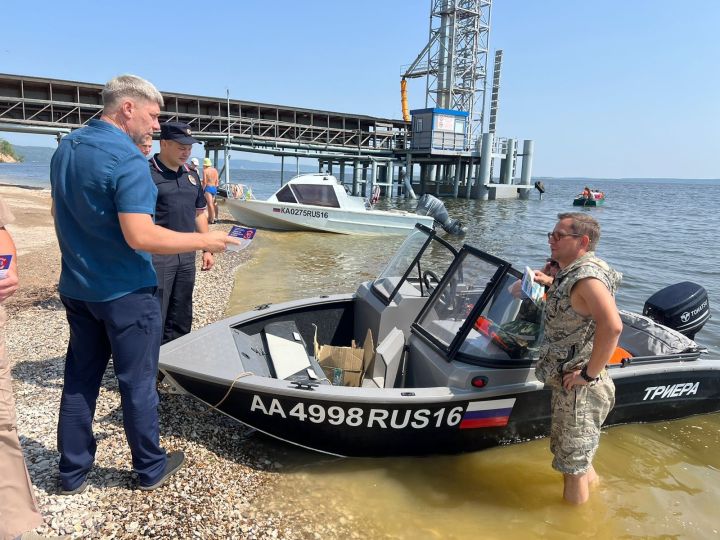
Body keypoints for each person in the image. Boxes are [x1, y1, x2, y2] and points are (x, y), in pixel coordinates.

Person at [49, 74, 238, 495]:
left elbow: (60, 214)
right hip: (125, 293)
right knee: (137, 380)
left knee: (81, 376)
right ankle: (150, 468)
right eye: (153, 116)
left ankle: (72, 470)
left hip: (78, 288)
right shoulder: (127, 159)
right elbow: (141, 235)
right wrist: (205, 239)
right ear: (127, 108)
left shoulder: (66, 148)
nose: (157, 126)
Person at [535, 212, 622, 505]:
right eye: (551, 234)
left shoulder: (586, 278)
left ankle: (576, 527)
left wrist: (587, 375)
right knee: (577, 459)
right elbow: (578, 309)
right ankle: (601, 497)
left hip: (580, 392)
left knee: (572, 469)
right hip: (573, 388)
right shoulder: (574, 272)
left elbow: (612, 326)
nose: (551, 240)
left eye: (559, 236)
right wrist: (550, 280)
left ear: (582, 241)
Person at [149, 122, 213, 344]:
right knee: (157, 309)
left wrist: (206, 248)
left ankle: (175, 358)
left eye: (189, 147)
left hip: (187, 255)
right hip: (158, 255)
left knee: (182, 308)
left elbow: (199, 214)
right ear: (163, 143)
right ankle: (150, 365)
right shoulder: (147, 173)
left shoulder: (192, 176)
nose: (186, 151)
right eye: (180, 146)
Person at [202, 157, 219, 224]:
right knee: (214, 203)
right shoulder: (215, 170)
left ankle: (211, 219)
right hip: (214, 188)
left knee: (210, 204)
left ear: (205, 164)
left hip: (208, 188)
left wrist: (202, 190)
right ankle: (216, 217)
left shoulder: (205, 171)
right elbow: (217, 181)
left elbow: (204, 182)